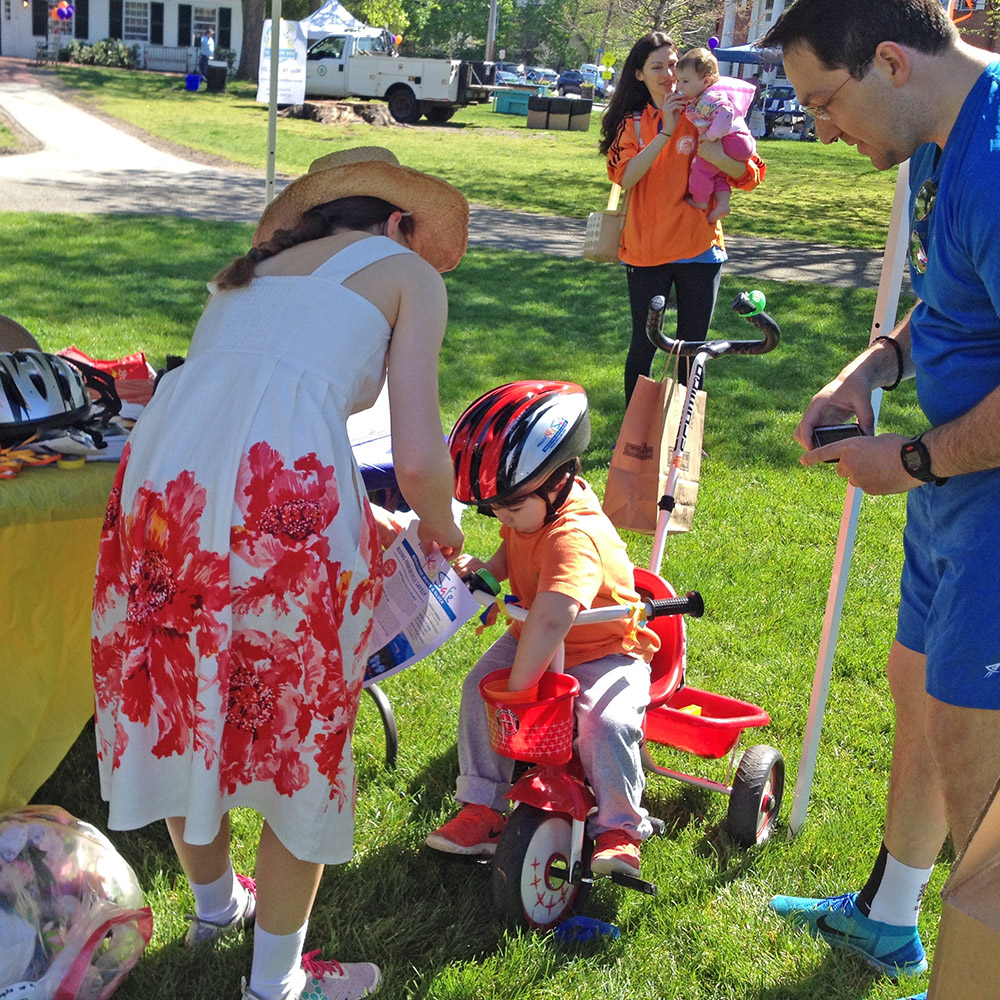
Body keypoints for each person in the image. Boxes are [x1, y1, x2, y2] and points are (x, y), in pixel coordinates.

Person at [91, 145, 467, 1000]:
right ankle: (278, 982)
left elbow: (240, 406)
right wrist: (442, 530)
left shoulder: (248, 276)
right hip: (279, 493)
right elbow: (416, 453)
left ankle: (215, 908)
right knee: (302, 725)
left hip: (162, 491)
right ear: (400, 225)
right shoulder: (410, 273)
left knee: (191, 699)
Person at [758, 3, 1000, 999]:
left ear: (889, 62)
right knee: (916, 693)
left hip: (979, 499)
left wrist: (908, 458)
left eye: (822, 102)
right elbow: (953, 293)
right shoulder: (942, 133)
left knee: (969, 735)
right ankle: (891, 916)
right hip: (951, 495)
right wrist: (874, 366)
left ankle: (978, 966)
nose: (817, 128)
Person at [424, 380, 661, 875]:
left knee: (606, 723)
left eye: (509, 507)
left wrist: (520, 689)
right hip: (533, 636)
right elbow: (512, 550)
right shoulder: (527, 507)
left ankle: (619, 829)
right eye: (493, 510)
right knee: (476, 690)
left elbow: (555, 615)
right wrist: (488, 574)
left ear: (559, 479)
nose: (502, 517)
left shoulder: (575, 535)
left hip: (606, 651)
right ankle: (483, 804)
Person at [598, 31, 766, 401]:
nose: (668, 74)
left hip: (699, 248)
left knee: (694, 350)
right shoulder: (634, 123)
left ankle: (685, 441)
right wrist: (667, 131)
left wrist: (719, 158)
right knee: (643, 346)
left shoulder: (710, 113)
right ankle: (633, 442)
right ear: (639, 75)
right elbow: (625, 176)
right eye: (657, 67)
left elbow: (751, 174)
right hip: (646, 250)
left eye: (673, 65)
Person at [675, 47, 757, 221]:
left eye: (685, 81)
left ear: (706, 81)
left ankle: (701, 200)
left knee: (700, 169)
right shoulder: (704, 97)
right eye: (678, 81)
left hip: (732, 140)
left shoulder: (709, 97)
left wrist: (711, 135)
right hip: (740, 141)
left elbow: (726, 113)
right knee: (718, 174)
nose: (679, 86)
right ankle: (722, 204)